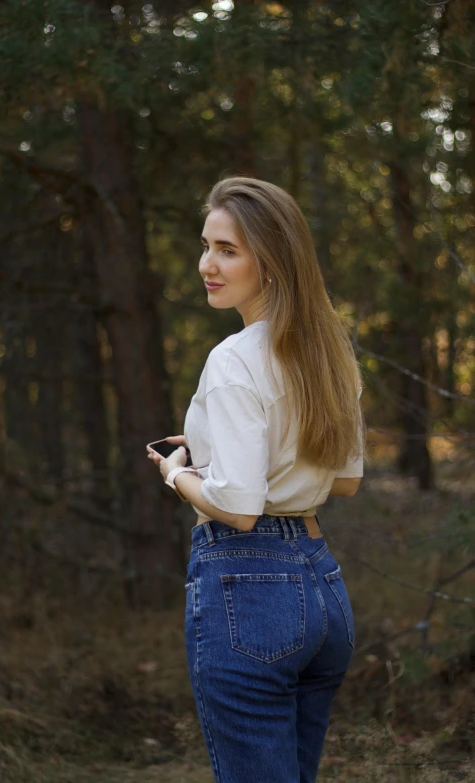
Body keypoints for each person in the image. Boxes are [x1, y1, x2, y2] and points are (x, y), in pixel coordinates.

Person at [147, 176, 365, 783]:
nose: (206, 265)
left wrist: (177, 473)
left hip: (249, 586)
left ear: (270, 262)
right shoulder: (329, 352)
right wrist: (217, 450)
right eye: (206, 245)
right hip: (322, 587)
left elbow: (239, 508)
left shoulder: (234, 358)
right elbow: (343, 480)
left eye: (227, 250)